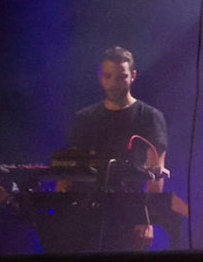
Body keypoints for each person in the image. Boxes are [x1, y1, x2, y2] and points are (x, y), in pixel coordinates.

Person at [63, 46, 170, 247]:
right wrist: (60, 212)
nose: (113, 84)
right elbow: (68, 170)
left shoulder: (149, 117)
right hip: (87, 212)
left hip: (130, 215)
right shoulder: (84, 118)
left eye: (121, 77)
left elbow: (156, 174)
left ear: (133, 76)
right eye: (108, 76)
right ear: (99, 77)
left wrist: (146, 218)